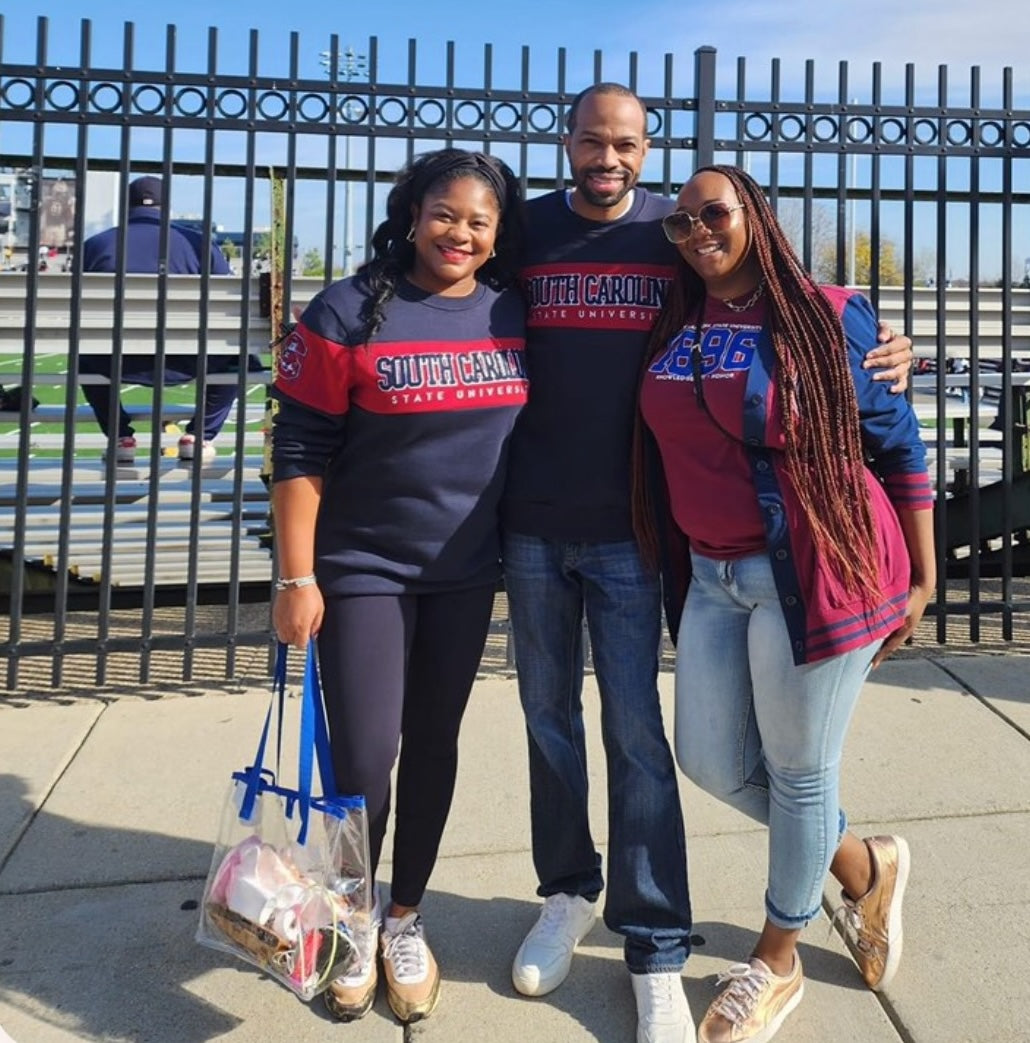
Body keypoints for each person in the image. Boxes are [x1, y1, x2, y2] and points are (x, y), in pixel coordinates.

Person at [501, 82, 915, 1043]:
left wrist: (888, 345)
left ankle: (661, 944)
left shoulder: (669, 233)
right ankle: (571, 892)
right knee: (565, 725)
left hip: (643, 537)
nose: (609, 160)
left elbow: (809, 321)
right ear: (566, 142)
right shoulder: (523, 232)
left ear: (648, 151)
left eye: (628, 144)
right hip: (541, 520)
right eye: (592, 141)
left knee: (651, 742)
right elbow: (432, 277)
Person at [635, 164, 935, 1043]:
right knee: (711, 759)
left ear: (755, 215)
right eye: (681, 222)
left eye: (714, 213)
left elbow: (899, 440)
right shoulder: (676, 317)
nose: (697, 232)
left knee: (802, 772)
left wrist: (923, 576)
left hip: (820, 571)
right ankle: (862, 862)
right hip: (714, 576)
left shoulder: (829, 313)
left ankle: (777, 959)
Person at [270, 149, 527, 1025]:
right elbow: (298, 448)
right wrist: (296, 575)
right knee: (366, 755)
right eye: (446, 213)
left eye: (480, 220)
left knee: (434, 745)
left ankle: (406, 914)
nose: (461, 233)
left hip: (464, 573)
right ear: (413, 213)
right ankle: (351, 913)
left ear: (499, 234)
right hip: (363, 567)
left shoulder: (513, 309)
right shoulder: (346, 307)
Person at [79, 175, 236, 466]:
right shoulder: (198, 243)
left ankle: (119, 437)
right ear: (167, 207)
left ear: (127, 206)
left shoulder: (95, 245)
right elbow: (227, 303)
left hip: (112, 360)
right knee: (243, 360)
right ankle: (199, 436)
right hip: (188, 360)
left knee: (82, 357)